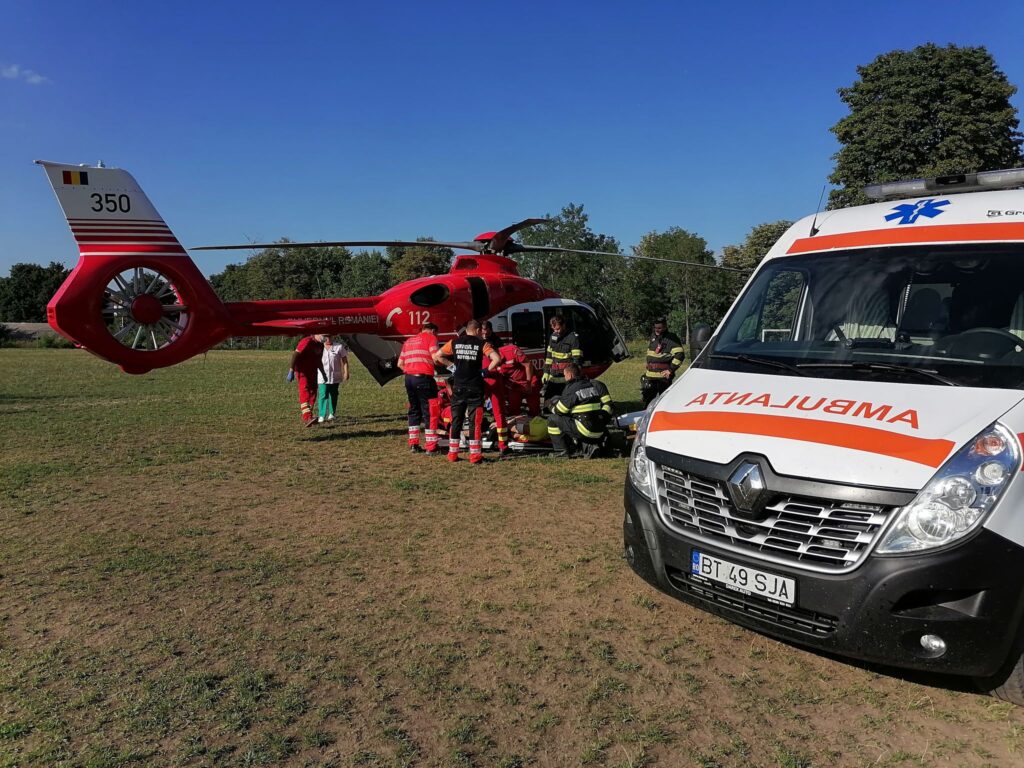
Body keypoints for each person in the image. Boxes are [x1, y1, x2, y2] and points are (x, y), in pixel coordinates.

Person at [433, 319, 501, 463]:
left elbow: (437, 355)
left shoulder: (454, 342)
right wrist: (485, 371)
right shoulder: (482, 344)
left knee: (456, 421)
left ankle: (452, 454)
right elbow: (496, 358)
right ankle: (475, 456)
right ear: (477, 330)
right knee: (474, 422)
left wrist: (452, 366)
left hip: (458, 387)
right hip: (475, 387)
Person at [548, 363, 614, 458]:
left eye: (565, 375)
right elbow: (608, 405)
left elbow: (560, 410)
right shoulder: (592, 386)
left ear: (570, 375)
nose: (565, 378)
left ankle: (561, 451)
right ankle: (589, 447)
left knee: (552, 419)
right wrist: (603, 419)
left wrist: (550, 406)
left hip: (585, 429)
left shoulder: (572, 388)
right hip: (600, 429)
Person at [398, 322, 441, 453]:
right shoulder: (431, 338)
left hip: (409, 378)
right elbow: (435, 358)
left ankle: (413, 444)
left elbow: (400, 363)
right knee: (429, 411)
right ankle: (431, 446)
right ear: (433, 331)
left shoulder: (409, 341)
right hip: (423, 379)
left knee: (414, 410)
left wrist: (412, 369)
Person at [642, 317, 685, 406]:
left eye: (659, 328)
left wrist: (670, 370)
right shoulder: (653, 336)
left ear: (665, 327)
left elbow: (680, 355)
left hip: (662, 378)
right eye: (655, 328)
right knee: (648, 403)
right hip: (650, 376)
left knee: (664, 403)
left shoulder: (671, 338)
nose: (657, 330)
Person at [541, 313, 582, 402]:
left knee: (566, 400)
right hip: (554, 376)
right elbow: (549, 357)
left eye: (558, 329)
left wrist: (574, 376)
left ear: (563, 325)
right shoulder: (553, 337)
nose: (556, 331)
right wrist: (546, 372)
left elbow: (576, 359)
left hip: (566, 378)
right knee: (548, 401)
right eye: (554, 329)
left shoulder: (572, 338)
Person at [289, 334, 327, 427]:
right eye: (324, 335)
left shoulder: (320, 345)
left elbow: (318, 360)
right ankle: (307, 417)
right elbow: (295, 354)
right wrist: (291, 370)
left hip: (313, 371)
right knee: (305, 392)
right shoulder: (307, 341)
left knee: (313, 392)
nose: (325, 338)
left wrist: (323, 373)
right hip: (303, 371)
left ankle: (310, 415)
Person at [317, 335, 350, 422]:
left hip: (335, 376)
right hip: (322, 376)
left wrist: (346, 372)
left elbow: (345, 361)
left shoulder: (339, 347)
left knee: (333, 394)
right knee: (323, 394)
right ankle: (321, 415)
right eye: (326, 337)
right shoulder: (318, 347)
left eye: (330, 337)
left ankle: (332, 413)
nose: (328, 339)